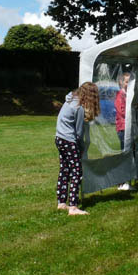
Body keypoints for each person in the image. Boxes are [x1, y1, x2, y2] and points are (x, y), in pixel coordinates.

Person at [55, 82, 100, 215]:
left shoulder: (69, 100)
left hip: (59, 138)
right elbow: (79, 132)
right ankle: (73, 206)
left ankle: (61, 202)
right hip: (69, 140)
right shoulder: (79, 108)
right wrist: (81, 148)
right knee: (76, 172)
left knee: (64, 170)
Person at [115, 72, 131, 151]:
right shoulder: (120, 94)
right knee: (124, 148)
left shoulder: (128, 94)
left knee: (129, 148)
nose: (128, 84)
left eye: (130, 82)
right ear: (121, 82)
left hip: (128, 125)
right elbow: (121, 111)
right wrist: (131, 113)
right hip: (122, 127)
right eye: (127, 82)